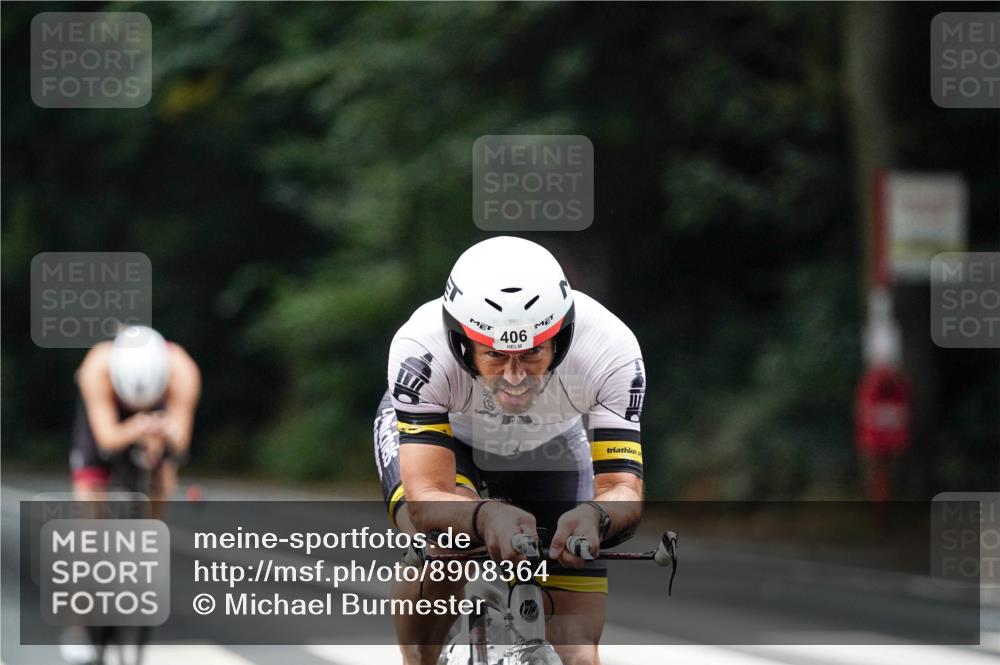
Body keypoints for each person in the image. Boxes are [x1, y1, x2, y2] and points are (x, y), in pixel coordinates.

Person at [373, 236, 645, 665]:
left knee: (578, 653)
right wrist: (484, 515)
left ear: (562, 336)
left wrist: (595, 515)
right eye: (495, 355)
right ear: (462, 342)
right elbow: (427, 498)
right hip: (450, 441)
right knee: (445, 548)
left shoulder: (610, 349)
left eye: (534, 352)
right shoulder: (421, 350)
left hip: (549, 446)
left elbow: (621, 488)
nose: (515, 376)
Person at [71, 325, 201, 507]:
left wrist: (167, 433)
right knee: (90, 482)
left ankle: (154, 528)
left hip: (159, 416)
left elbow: (181, 443)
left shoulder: (183, 371)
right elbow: (106, 439)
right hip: (107, 410)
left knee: (163, 475)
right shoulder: (95, 369)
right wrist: (136, 428)